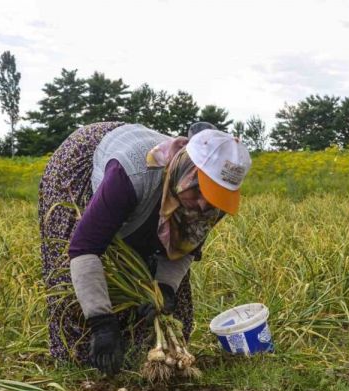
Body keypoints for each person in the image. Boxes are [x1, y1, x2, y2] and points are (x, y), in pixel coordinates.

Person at [38, 121, 252, 375]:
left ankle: (139, 353)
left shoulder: (211, 204)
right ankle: (81, 359)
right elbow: (85, 248)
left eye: (214, 197)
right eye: (199, 192)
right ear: (185, 169)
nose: (202, 205)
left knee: (161, 294)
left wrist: (163, 288)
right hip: (86, 158)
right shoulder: (130, 175)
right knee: (74, 261)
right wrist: (101, 323)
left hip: (140, 178)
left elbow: (184, 248)